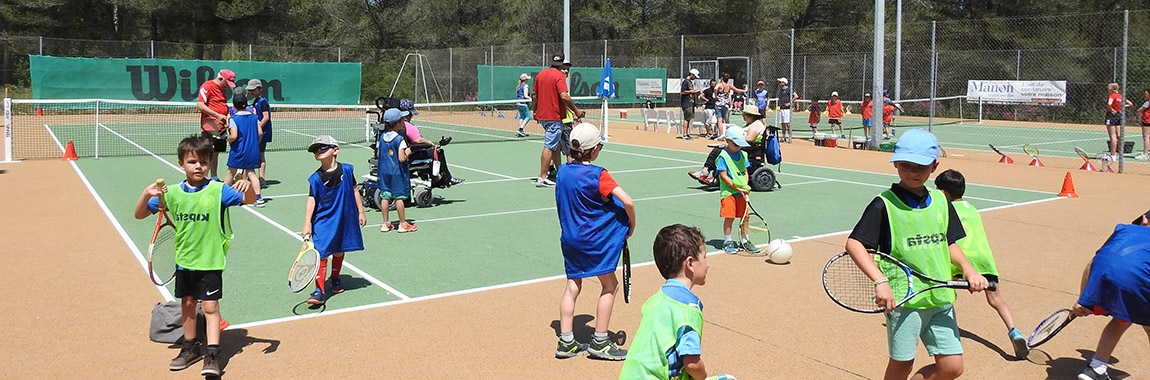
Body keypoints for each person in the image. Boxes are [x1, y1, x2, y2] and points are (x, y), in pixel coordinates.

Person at [843, 128, 989, 380]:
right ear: (896, 164)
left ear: (934, 166)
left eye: (921, 166)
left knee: (952, 367)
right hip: (904, 299)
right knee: (902, 365)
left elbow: (950, 242)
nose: (913, 171)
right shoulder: (884, 203)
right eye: (907, 164)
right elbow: (855, 244)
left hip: (940, 297)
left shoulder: (941, 201)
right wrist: (881, 281)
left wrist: (969, 269)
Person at [134, 136, 256, 376]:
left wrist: (248, 187)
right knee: (188, 305)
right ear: (182, 164)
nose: (198, 166)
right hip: (184, 261)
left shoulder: (218, 190)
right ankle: (190, 348)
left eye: (203, 162)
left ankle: (212, 354)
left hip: (210, 261)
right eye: (192, 162)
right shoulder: (171, 194)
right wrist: (145, 193)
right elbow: (139, 214)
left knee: (210, 307)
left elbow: (248, 200)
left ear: (210, 163)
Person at [553, 122, 635, 361]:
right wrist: (630, 226)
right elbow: (627, 202)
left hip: (570, 239)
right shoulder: (599, 175)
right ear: (595, 149)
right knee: (609, 285)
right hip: (595, 242)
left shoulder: (563, 172)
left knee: (572, 286)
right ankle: (600, 340)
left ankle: (566, 341)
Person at [618, 224, 736, 380]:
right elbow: (692, 364)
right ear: (690, 263)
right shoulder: (689, 310)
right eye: (705, 257)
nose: (708, 264)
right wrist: (703, 376)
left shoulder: (654, 300)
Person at [934, 169, 1029, 359]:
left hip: (959, 261)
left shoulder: (944, 209)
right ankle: (1014, 330)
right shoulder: (973, 208)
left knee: (940, 292)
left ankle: (937, 327)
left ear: (943, 192)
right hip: (984, 259)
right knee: (996, 300)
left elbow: (944, 237)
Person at [1072, 215, 1150, 380]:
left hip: (1104, 276)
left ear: (1144, 219)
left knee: (1121, 321)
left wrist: (1083, 301)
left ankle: (1096, 368)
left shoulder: (1123, 228)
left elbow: (1093, 262)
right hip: (1137, 280)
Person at [301, 135, 367, 305]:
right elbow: (311, 200)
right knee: (322, 253)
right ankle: (319, 290)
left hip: (344, 217)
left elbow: (354, 190)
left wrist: (361, 212)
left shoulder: (347, 170)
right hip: (323, 220)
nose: (318, 152)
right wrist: (307, 223)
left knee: (338, 249)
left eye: (323, 148)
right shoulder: (315, 179)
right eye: (316, 150)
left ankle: (335, 277)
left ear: (336, 150)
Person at [532, 53, 584, 187]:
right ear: (561, 64)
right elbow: (564, 96)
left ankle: (559, 171)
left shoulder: (540, 75)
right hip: (553, 117)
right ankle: (543, 177)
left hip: (544, 117)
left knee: (555, 146)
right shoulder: (559, 76)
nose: (566, 70)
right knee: (549, 146)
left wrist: (535, 110)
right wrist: (576, 110)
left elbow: (534, 95)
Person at [688, 104, 767, 186]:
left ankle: (712, 176)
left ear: (752, 116)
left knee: (718, 151)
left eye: (745, 115)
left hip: (749, 149)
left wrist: (734, 140)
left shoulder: (756, 124)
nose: (743, 116)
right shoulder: (750, 124)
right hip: (741, 145)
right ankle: (706, 171)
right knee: (718, 149)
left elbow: (749, 139)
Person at [398, 99, 465, 187]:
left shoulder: (394, 124)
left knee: (430, 152)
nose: (411, 117)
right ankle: (446, 178)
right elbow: (418, 140)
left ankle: (435, 177)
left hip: (400, 153)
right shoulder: (408, 126)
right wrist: (430, 143)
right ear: (406, 114)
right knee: (438, 152)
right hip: (410, 155)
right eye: (410, 114)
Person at [377, 108, 418, 233]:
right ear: (398, 122)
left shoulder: (382, 137)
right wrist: (410, 151)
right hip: (397, 173)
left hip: (384, 172)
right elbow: (401, 158)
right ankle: (402, 224)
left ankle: (386, 223)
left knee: (385, 196)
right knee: (399, 197)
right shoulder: (399, 139)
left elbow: (379, 153)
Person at [715, 124, 753, 254]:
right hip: (729, 192)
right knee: (730, 217)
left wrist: (745, 186)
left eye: (740, 144)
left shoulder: (743, 154)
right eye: (736, 144)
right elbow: (723, 176)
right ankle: (728, 241)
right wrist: (736, 187)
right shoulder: (722, 156)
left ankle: (745, 240)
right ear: (727, 140)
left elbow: (745, 171)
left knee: (745, 217)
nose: (738, 147)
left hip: (742, 192)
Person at [224, 93, 265, 207]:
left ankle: (223, 195)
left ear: (234, 106)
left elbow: (234, 136)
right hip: (253, 151)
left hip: (238, 151)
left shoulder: (234, 119)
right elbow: (260, 133)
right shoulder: (254, 117)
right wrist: (255, 143)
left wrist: (227, 139)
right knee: (251, 173)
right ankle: (258, 198)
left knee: (230, 172)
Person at [196, 69, 236, 180]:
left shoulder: (222, 89)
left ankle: (214, 177)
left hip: (221, 127)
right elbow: (200, 105)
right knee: (207, 153)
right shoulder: (207, 86)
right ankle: (202, 179)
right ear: (220, 79)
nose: (227, 86)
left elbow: (222, 105)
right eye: (227, 83)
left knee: (215, 153)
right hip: (210, 127)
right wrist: (217, 115)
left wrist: (227, 114)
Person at [246, 79, 272, 189]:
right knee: (253, 154)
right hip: (257, 133)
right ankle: (251, 177)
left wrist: (258, 128)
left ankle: (261, 179)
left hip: (263, 133)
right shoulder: (255, 101)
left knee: (260, 155)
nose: (251, 92)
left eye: (253, 89)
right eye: (249, 90)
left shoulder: (263, 102)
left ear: (259, 89)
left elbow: (266, 117)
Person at [1105, 83, 1135, 161]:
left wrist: (1111, 109)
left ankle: (1113, 155)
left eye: (1109, 88)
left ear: (1112, 89)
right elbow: (1130, 103)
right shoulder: (1121, 96)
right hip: (1119, 115)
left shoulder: (1112, 96)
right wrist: (1122, 107)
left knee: (1112, 136)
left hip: (1111, 116)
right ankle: (1120, 155)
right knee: (1119, 136)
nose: (1108, 90)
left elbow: (1109, 104)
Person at [714, 72, 748, 137]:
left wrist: (716, 96)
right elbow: (737, 90)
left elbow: (715, 88)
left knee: (719, 119)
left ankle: (721, 134)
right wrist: (745, 90)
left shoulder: (720, 84)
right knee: (723, 119)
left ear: (722, 78)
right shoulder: (729, 85)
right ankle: (724, 133)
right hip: (725, 104)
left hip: (719, 104)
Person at [679, 69, 701, 140]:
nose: (694, 78)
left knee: (688, 119)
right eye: (694, 76)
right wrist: (693, 91)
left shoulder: (690, 82)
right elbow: (682, 92)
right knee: (686, 119)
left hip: (690, 103)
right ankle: (684, 134)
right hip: (686, 103)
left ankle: (687, 134)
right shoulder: (685, 82)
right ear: (691, 74)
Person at [1134, 89, 1150, 161]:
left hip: (1147, 121)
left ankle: (1145, 154)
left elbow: (1139, 110)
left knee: (1146, 137)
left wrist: (1137, 118)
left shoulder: (1147, 102)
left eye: (1146, 94)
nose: (1145, 95)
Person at [516, 73, 533, 137]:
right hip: (523, 103)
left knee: (522, 117)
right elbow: (525, 96)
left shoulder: (519, 86)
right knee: (528, 116)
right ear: (525, 79)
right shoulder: (525, 86)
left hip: (518, 103)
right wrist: (531, 99)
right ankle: (520, 129)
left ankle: (521, 131)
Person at [777, 78, 793, 143]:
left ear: (784, 83)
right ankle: (783, 137)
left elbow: (795, 96)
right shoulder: (781, 90)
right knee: (782, 123)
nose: (780, 83)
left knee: (788, 124)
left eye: (781, 82)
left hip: (787, 109)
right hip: (781, 108)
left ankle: (789, 137)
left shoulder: (789, 89)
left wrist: (790, 103)